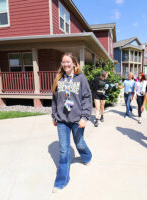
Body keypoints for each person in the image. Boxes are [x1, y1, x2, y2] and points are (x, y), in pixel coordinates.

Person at [51, 53, 92, 192]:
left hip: (77, 119)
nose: (65, 64)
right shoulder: (59, 78)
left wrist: (85, 117)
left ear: (74, 63)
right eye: (63, 62)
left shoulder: (81, 78)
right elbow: (54, 99)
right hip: (62, 120)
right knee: (63, 150)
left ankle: (87, 156)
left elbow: (87, 98)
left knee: (79, 143)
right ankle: (61, 180)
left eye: (68, 62)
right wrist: (54, 116)